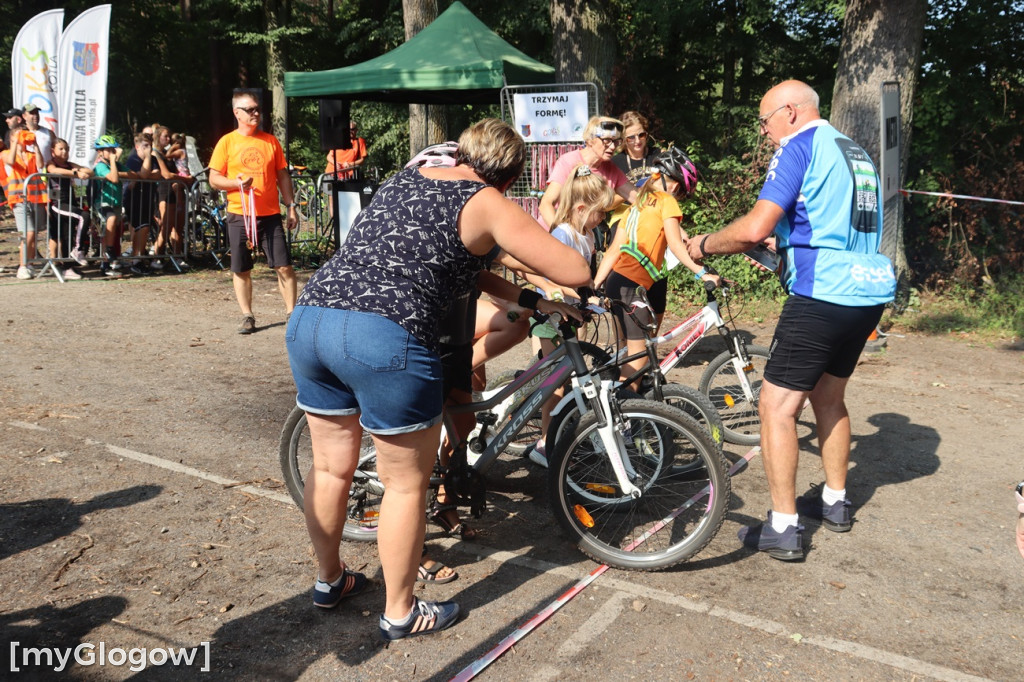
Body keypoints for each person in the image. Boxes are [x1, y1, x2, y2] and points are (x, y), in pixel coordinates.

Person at [285, 118, 590, 640]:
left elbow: (457, 267)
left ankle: (329, 580)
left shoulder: (407, 179)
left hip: (311, 318)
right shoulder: (487, 201)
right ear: (509, 173)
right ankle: (401, 611)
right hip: (383, 335)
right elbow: (574, 270)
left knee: (332, 468)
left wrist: (528, 296)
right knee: (406, 484)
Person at [686, 79, 896, 561]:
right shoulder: (856, 152)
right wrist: (783, 248)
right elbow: (829, 225)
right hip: (865, 291)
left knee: (777, 407)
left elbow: (756, 226)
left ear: (791, 112)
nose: (764, 134)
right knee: (830, 398)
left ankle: (783, 527)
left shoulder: (798, 145)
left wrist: (706, 243)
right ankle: (836, 502)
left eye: (765, 122)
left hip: (821, 294)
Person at [596, 147, 721, 388]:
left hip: (616, 284)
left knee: (629, 355)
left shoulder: (637, 205)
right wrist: (702, 273)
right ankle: (625, 417)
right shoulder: (666, 202)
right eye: (680, 188)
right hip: (632, 289)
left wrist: (594, 286)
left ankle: (626, 402)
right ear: (672, 182)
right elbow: (675, 245)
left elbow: (613, 251)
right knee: (638, 362)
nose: (678, 193)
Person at [524, 164, 615, 468]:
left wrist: (591, 296)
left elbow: (583, 278)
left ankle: (557, 436)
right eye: (600, 212)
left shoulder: (588, 235)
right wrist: (584, 295)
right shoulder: (563, 234)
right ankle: (544, 443)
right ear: (580, 208)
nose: (603, 218)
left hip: (569, 317)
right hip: (549, 318)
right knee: (556, 384)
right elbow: (552, 277)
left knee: (569, 376)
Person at [208, 90, 299, 333]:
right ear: (237, 113)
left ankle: (293, 313)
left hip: (269, 214)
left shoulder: (271, 141)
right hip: (240, 213)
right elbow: (214, 178)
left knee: (284, 266)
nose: (256, 113)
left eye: (258, 109)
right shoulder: (227, 142)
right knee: (241, 268)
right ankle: (247, 316)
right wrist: (236, 184)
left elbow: (282, 175)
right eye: (250, 110)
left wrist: (291, 207)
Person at [537, 116, 637, 231]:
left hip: (582, 237)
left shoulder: (612, 170)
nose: (613, 146)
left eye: (616, 141)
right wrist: (561, 234)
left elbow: (638, 199)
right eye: (607, 140)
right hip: (551, 233)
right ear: (590, 140)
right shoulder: (568, 161)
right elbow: (545, 204)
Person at [2, 124, 47, 279]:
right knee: (27, 233)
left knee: (33, 234)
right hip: (19, 199)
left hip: (35, 197)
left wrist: (35, 146)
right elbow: (11, 161)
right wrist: (15, 142)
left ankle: (29, 264)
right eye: (20, 134)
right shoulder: (5, 153)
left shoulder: (30, 155)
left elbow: (41, 165)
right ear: (12, 138)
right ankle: (22, 266)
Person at [93, 135, 141, 277]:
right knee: (110, 221)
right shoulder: (101, 166)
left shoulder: (115, 166)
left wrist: (117, 169)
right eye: (108, 150)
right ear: (100, 152)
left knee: (113, 232)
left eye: (113, 149)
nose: (112, 152)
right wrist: (114, 163)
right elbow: (114, 179)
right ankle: (106, 257)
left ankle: (109, 263)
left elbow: (133, 175)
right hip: (102, 203)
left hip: (116, 203)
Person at [45, 138, 92, 280]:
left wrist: (78, 169)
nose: (64, 152)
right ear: (53, 151)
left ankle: (68, 267)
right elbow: (53, 170)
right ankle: (78, 250)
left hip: (70, 202)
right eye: (61, 149)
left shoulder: (70, 165)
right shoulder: (51, 163)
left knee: (67, 233)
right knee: (84, 215)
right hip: (58, 203)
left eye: (66, 149)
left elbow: (90, 171)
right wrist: (75, 173)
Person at [123, 133, 160, 274]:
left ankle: (139, 259)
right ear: (137, 146)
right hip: (133, 198)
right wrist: (143, 173)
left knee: (145, 228)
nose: (148, 149)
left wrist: (142, 175)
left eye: (149, 145)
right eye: (145, 146)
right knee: (141, 227)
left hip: (148, 198)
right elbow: (145, 174)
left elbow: (157, 174)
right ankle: (136, 261)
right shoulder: (133, 158)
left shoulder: (153, 159)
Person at [612, 111, 661, 185]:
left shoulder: (658, 156)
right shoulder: (615, 163)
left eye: (641, 135)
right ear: (623, 139)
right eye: (631, 137)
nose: (637, 141)